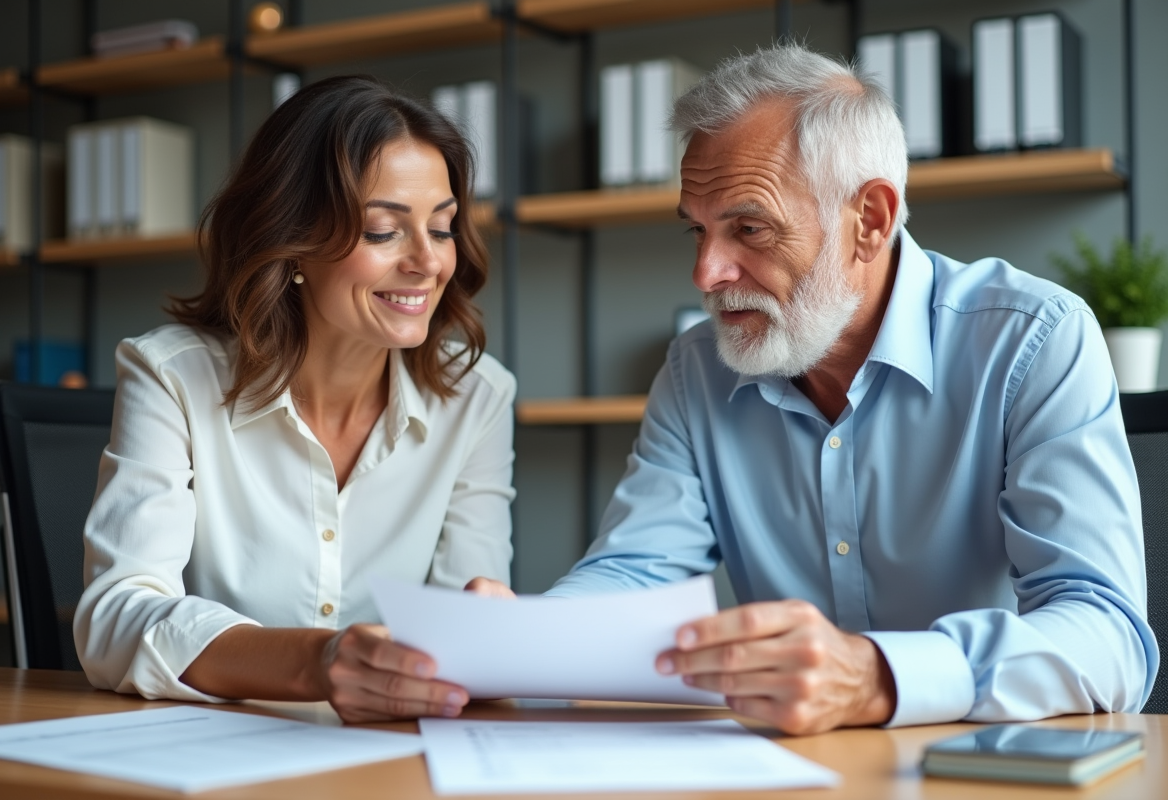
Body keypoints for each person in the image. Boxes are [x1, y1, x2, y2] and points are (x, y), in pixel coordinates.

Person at [474, 44, 1158, 733]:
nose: (706, 272)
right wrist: (518, 639)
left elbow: (1108, 638)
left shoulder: (1032, 340)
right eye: (698, 230)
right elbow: (634, 572)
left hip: (984, 763)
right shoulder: (695, 370)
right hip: (783, 765)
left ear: (870, 221)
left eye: (749, 228)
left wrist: (876, 677)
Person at [74, 76, 516, 723]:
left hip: (386, 758)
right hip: (210, 753)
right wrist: (319, 662)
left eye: (443, 227)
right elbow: (116, 620)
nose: (429, 262)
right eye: (383, 231)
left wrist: (485, 640)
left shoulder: (477, 396)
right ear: (295, 241)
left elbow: (464, 629)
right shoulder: (172, 374)